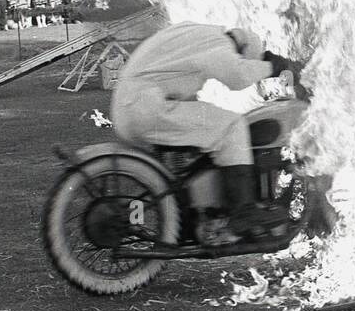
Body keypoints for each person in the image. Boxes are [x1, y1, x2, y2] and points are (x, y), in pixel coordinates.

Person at [110, 23, 299, 243]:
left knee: (206, 132)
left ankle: (191, 223)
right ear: (242, 47)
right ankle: (243, 211)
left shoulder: (192, 32)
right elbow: (237, 75)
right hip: (146, 106)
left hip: (128, 106)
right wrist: (273, 67)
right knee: (231, 126)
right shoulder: (218, 42)